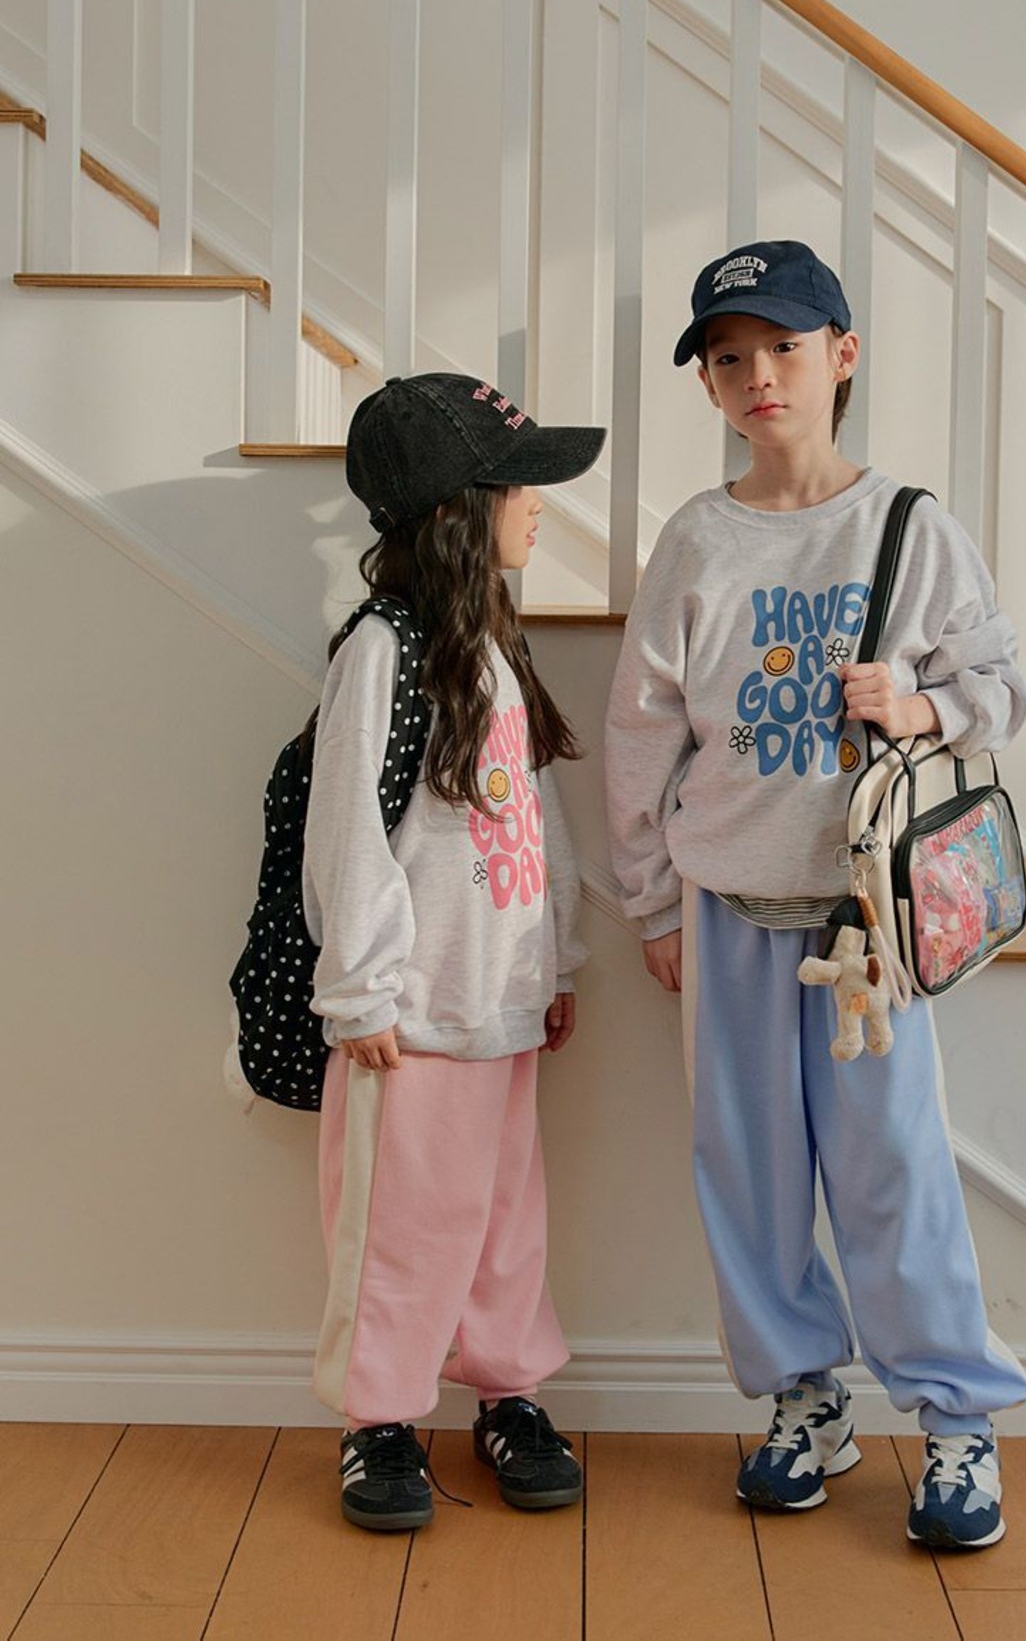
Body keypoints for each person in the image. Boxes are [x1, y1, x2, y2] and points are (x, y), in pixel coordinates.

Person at [605, 240, 1026, 1549]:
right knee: (746, 1171)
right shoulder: (696, 536)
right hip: (729, 911)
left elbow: (1004, 689)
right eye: (727, 357)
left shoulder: (908, 526)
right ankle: (804, 1396)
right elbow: (640, 727)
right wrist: (652, 902)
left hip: (870, 926)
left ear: (841, 354)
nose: (757, 375)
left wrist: (918, 702)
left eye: (782, 347)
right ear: (707, 382)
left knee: (891, 1168)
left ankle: (956, 1416)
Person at [303, 373, 604, 1532]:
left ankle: (505, 1391)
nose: (539, 504)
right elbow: (346, 830)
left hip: (499, 1002)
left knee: (501, 1221)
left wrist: (555, 959)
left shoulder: (487, 643)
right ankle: (378, 1416)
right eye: (519, 483)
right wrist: (360, 990)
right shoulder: (383, 651)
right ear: (455, 508)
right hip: (411, 1017)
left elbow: (532, 812)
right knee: (400, 1225)